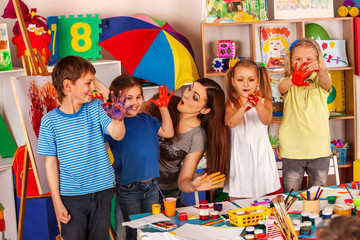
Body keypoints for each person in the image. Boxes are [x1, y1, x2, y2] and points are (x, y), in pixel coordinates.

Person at [36, 56, 127, 240]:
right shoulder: (49, 121)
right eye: (88, 82)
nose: (93, 87)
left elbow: (117, 134)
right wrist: (57, 203)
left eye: (94, 82)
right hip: (72, 197)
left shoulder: (96, 108)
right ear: (68, 86)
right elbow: (50, 165)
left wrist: (118, 118)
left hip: (103, 191)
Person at [104, 75, 174, 240]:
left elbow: (168, 132)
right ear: (116, 100)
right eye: (129, 98)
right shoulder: (114, 124)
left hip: (151, 185)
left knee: (150, 230)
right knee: (134, 232)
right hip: (129, 188)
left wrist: (163, 108)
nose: (135, 102)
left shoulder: (147, 119)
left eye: (138, 97)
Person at [143, 78, 228, 206]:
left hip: (166, 195)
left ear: (205, 110)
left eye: (195, 97)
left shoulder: (197, 136)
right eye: (190, 88)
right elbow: (132, 113)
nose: (186, 94)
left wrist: (194, 186)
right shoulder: (164, 102)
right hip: (136, 186)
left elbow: (184, 181)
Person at [278, 38, 331, 193]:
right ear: (290, 61)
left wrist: (319, 70)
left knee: (317, 194)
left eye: (309, 59)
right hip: (292, 150)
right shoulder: (287, 82)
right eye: (298, 59)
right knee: (291, 194)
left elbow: (326, 82)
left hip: (319, 149)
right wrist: (294, 80)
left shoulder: (321, 80)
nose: (303, 62)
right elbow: (282, 87)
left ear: (318, 60)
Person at [223, 59, 281, 199]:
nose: (246, 84)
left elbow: (266, 120)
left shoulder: (265, 102)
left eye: (251, 79)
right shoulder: (231, 104)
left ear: (257, 81)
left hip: (261, 151)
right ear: (233, 82)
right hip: (240, 153)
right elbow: (231, 122)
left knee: (263, 193)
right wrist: (244, 107)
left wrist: (257, 105)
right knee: (240, 193)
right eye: (240, 79)